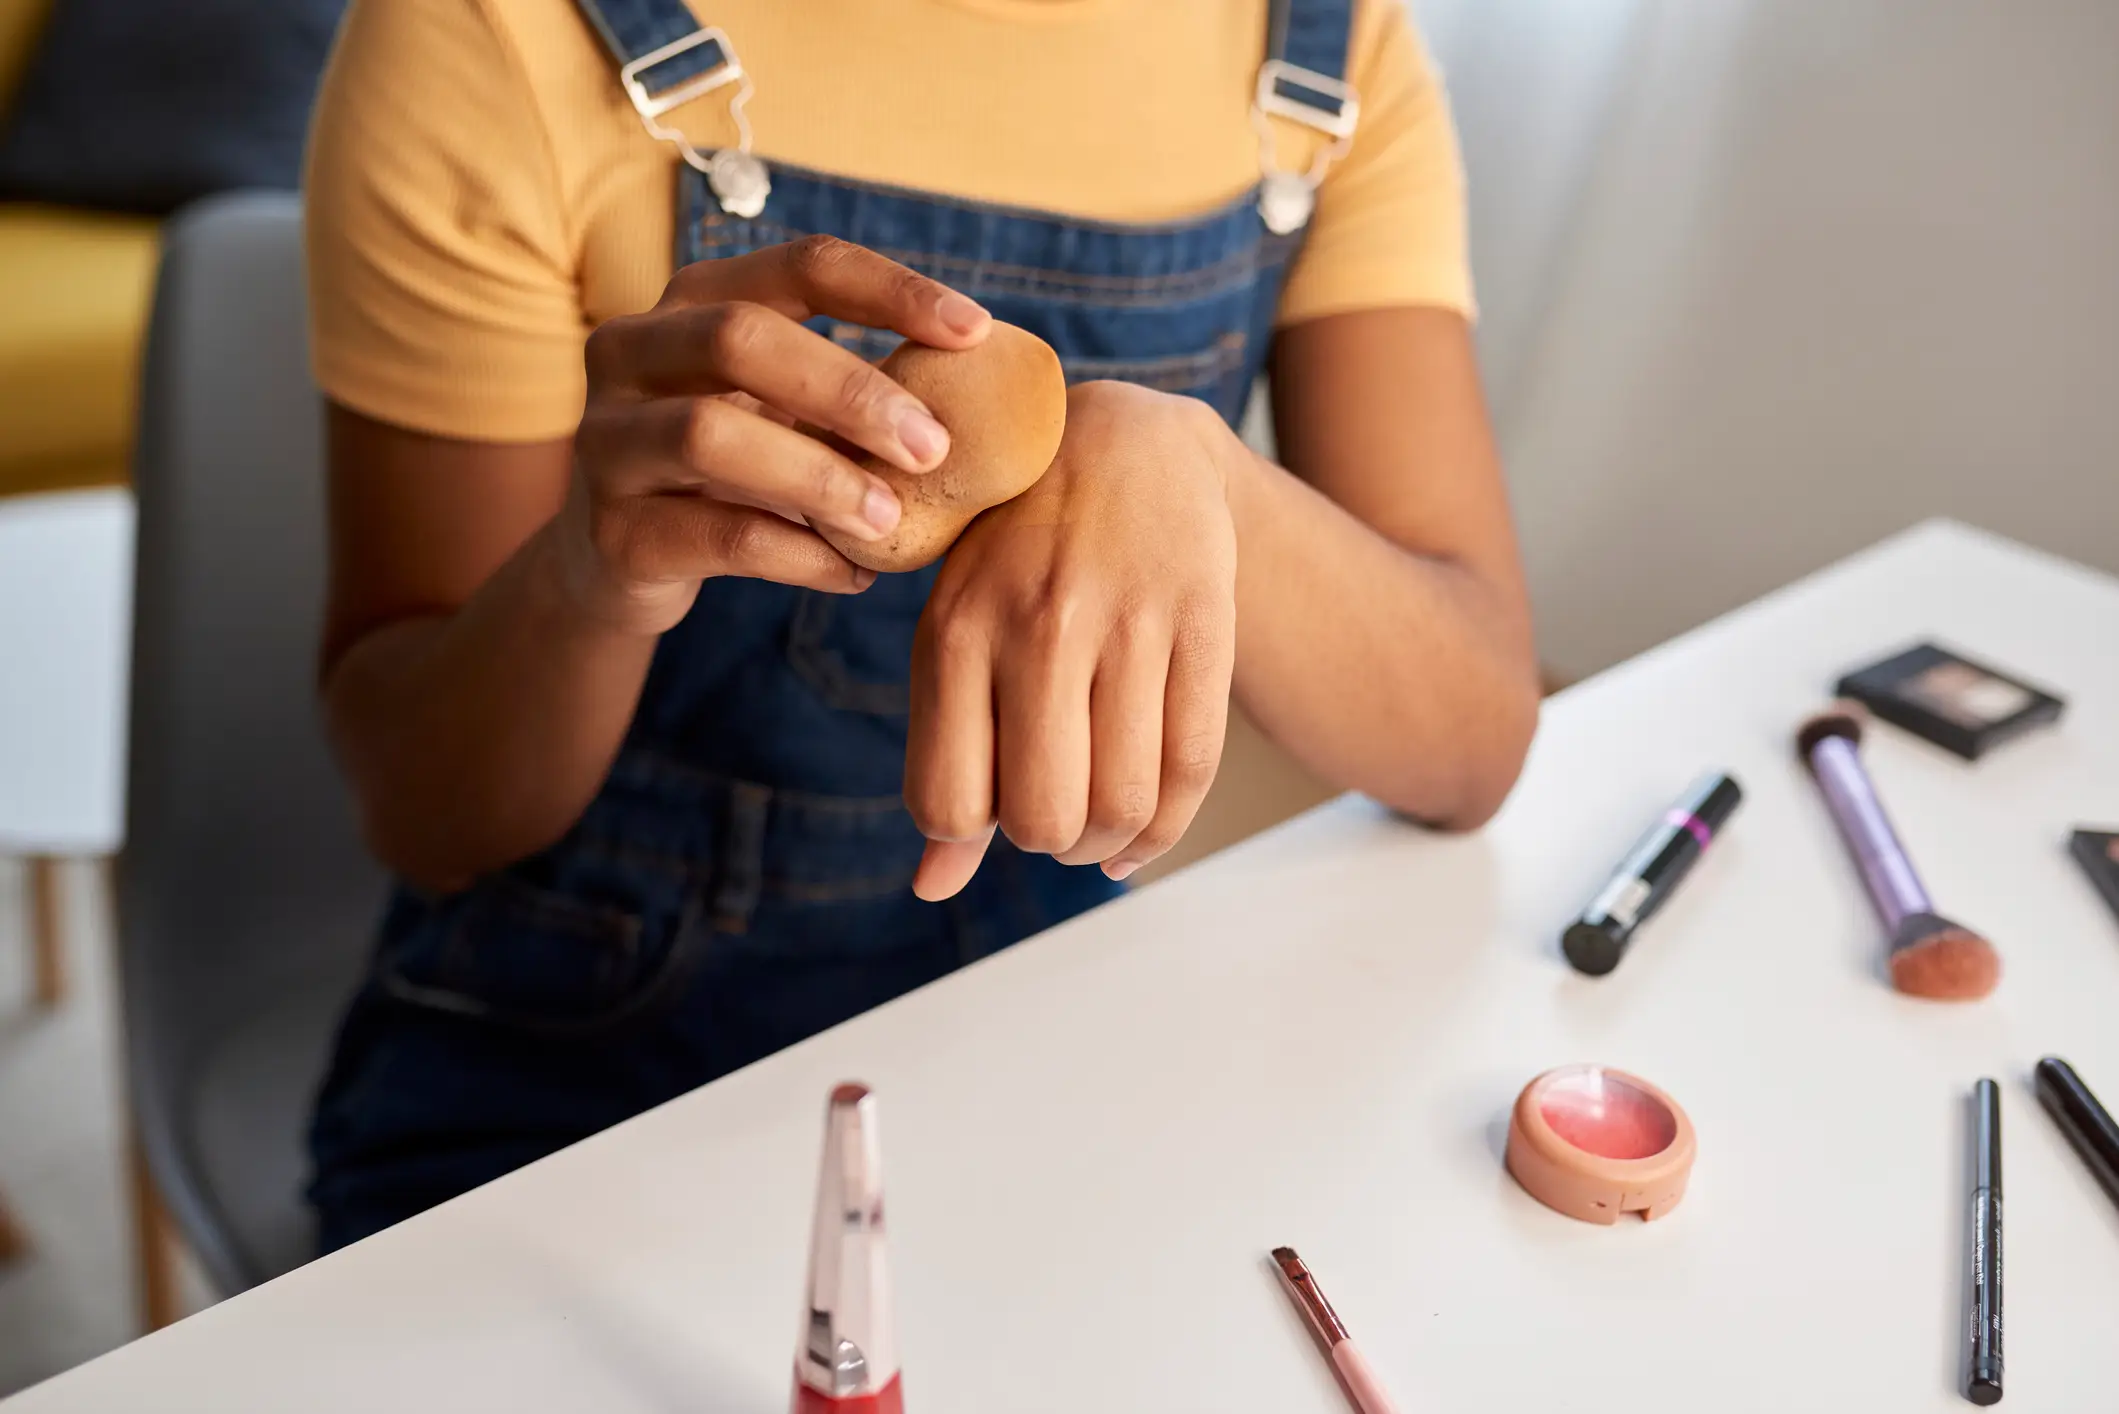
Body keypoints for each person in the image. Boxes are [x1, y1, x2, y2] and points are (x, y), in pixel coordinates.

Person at [303, 0, 1540, 1251]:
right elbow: (422, 816)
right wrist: (587, 578)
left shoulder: (1324, 47)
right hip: (574, 1095)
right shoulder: (500, 32)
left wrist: (1209, 482)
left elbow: (1476, 732)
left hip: (1035, 1058)